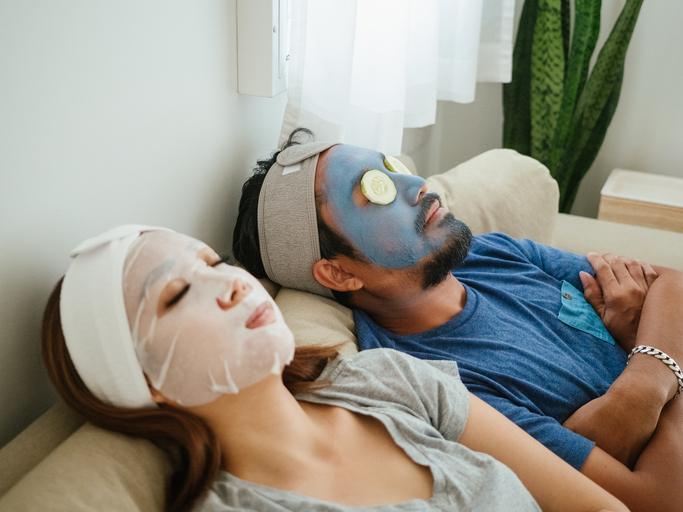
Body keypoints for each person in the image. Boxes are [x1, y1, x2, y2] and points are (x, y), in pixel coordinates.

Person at [233, 129, 683, 512]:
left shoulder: (489, 252)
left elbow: (671, 282)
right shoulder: (437, 384)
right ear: (339, 272)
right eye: (375, 189)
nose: (414, 182)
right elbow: (653, 500)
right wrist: (650, 366)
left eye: (390, 165)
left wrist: (645, 373)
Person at [42, 225, 628, 512]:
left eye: (215, 262)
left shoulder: (390, 378)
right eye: (174, 295)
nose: (228, 285)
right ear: (143, 383)